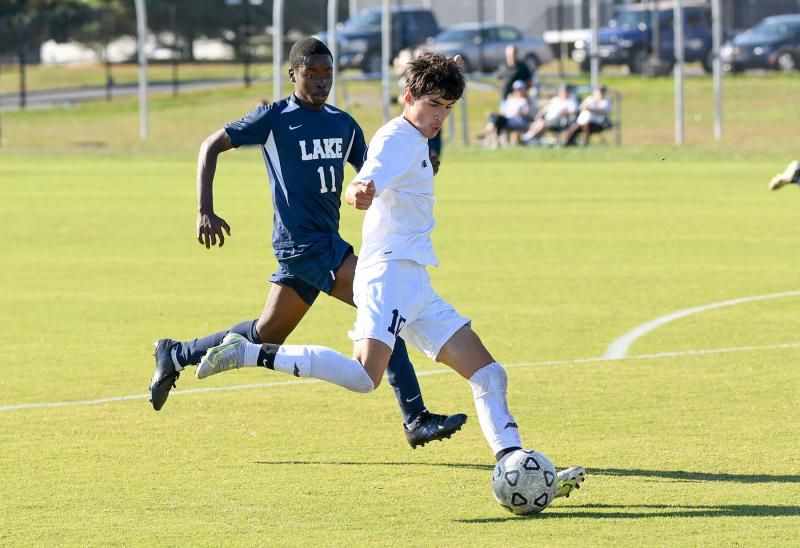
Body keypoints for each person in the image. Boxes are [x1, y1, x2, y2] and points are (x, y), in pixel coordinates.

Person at [196, 52, 586, 497]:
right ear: (409, 97)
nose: (439, 116)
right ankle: (248, 354)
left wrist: (450, 70)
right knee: (365, 377)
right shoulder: (398, 139)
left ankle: (515, 465)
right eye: (433, 104)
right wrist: (360, 189)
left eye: (447, 107)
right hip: (386, 277)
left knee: (490, 375)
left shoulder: (417, 140)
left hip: (414, 280)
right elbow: (369, 175)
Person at [149, 37, 467, 449]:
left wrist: (423, 163)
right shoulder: (274, 118)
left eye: (327, 74)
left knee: (267, 336)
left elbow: (377, 171)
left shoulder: (343, 123)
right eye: (312, 74)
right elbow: (210, 145)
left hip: (325, 243)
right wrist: (204, 210)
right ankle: (415, 417)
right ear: (293, 74)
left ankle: (175, 353)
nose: (321, 82)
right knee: (386, 311)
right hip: (304, 245)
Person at [477, 80, 533, 148]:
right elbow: (503, 111)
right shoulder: (510, 99)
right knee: (494, 119)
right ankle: (493, 140)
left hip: (516, 121)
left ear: (524, 90)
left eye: (520, 89)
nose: (518, 91)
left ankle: (486, 135)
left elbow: (528, 113)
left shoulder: (524, 100)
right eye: (516, 89)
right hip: (506, 119)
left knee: (495, 122)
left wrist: (520, 113)